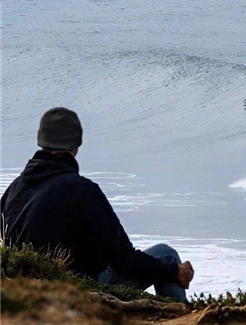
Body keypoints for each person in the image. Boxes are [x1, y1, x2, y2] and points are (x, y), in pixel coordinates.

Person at [0, 107, 194, 302]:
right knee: (166, 255)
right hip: (79, 291)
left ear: (40, 141)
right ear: (76, 144)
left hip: (22, 291)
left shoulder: (15, 188)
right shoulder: (82, 190)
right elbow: (124, 259)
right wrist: (173, 271)